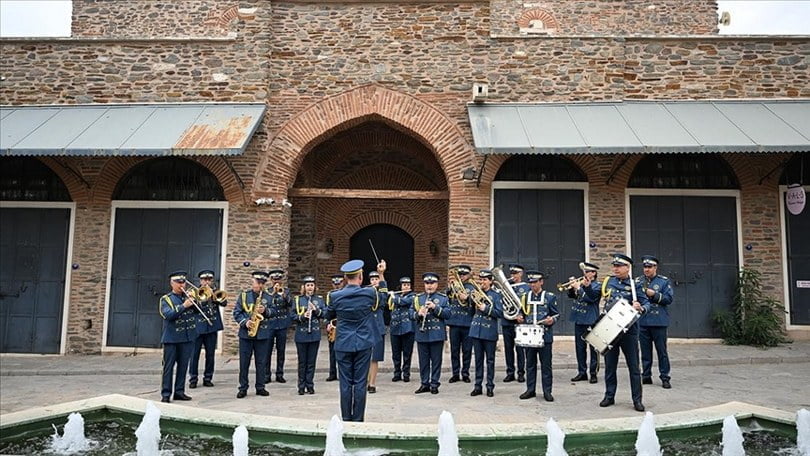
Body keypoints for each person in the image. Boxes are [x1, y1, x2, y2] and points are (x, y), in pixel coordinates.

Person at [583, 254, 650, 412]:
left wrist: (641, 307)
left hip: (629, 331)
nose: (615, 269)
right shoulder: (608, 282)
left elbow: (646, 303)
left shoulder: (635, 285)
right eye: (614, 266)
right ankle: (609, 396)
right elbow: (593, 296)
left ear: (627, 268)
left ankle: (637, 400)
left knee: (633, 367)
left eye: (619, 266)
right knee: (610, 366)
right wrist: (586, 287)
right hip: (610, 330)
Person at [325, 259, 386, 422]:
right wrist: (381, 275)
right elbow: (384, 298)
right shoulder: (369, 293)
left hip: (343, 342)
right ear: (360, 276)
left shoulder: (334, 296)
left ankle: (346, 418)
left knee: (345, 383)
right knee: (360, 383)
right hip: (363, 342)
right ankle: (358, 419)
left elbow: (328, 314)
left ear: (345, 278)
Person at [518, 271, 558, 402]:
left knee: (546, 365)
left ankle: (547, 391)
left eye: (535, 282)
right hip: (529, 335)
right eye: (530, 282)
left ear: (541, 282)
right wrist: (519, 318)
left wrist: (551, 320)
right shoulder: (524, 297)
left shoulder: (550, 297)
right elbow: (522, 313)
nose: (532, 285)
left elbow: (556, 314)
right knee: (530, 364)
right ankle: (530, 389)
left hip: (544, 335)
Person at [158, 270, 197, 403]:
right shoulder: (166, 299)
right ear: (172, 283)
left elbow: (199, 312)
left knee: (183, 366)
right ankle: (166, 393)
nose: (182, 284)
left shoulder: (188, 297)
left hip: (186, 338)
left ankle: (179, 392)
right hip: (172, 339)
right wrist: (183, 306)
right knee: (168, 367)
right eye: (178, 282)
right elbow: (168, 315)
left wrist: (195, 301)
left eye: (183, 282)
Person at [233, 271, 272, 398]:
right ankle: (243, 388)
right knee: (244, 363)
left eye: (262, 283)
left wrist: (265, 310)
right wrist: (245, 322)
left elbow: (275, 312)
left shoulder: (269, 297)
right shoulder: (244, 296)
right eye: (257, 283)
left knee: (261, 362)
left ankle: (260, 387)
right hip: (246, 334)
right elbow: (237, 313)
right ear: (252, 282)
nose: (260, 286)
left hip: (262, 334)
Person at [638, 255, 674, 389]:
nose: (646, 269)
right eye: (645, 267)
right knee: (645, 351)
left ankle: (665, 377)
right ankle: (646, 375)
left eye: (649, 267)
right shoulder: (638, 281)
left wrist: (654, 295)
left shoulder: (663, 282)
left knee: (662, 351)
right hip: (643, 321)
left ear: (655, 267)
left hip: (659, 321)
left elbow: (668, 299)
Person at [189, 269, 228, 389]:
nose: (206, 282)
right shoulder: (194, 292)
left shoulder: (216, 292)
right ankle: (193, 378)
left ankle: (208, 377)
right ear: (200, 280)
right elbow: (191, 309)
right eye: (204, 279)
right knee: (194, 354)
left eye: (209, 280)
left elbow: (224, 303)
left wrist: (213, 296)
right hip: (198, 327)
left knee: (210, 355)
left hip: (211, 327)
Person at [469, 269, 504, 397]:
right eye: (481, 280)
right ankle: (477, 386)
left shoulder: (496, 295)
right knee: (478, 360)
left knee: (490, 361)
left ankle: (490, 386)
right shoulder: (476, 293)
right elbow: (470, 310)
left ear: (491, 281)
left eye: (485, 280)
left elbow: (500, 313)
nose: (482, 282)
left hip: (489, 331)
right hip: (476, 330)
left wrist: (486, 309)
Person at [413, 272, 449, 395]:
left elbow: (448, 314)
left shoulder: (443, 298)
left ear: (437, 284)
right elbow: (410, 314)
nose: (429, 286)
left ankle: (434, 384)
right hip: (422, 333)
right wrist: (418, 314)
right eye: (427, 283)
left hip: (436, 333)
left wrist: (435, 307)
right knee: (423, 361)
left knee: (436, 360)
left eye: (432, 283)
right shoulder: (418, 298)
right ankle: (424, 383)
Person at [568, 262, 601, 384]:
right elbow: (571, 296)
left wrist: (579, 288)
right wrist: (572, 287)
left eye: (588, 271)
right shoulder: (580, 283)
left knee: (593, 348)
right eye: (584, 271)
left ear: (594, 273)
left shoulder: (598, 286)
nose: (585, 273)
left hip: (591, 319)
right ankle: (582, 372)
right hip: (579, 318)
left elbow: (591, 298)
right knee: (579, 347)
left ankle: (593, 373)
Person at [293, 275, 325, 395]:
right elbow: (292, 316)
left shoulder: (319, 300)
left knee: (311, 361)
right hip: (301, 334)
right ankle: (301, 385)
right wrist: (302, 316)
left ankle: (310, 385)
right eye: (308, 285)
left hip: (314, 334)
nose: (310, 288)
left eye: (312, 285)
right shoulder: (298, 300)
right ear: (304, 287)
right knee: (302, 362)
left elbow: (325, 313)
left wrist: (316, 310)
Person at [445, 265, 475, 384]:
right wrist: (448, 289)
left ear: (468, 275)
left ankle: (465, 373)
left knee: (467, 350)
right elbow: (446, 300)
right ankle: (455, 373)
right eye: (460, 275)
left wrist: (467, 298)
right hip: (454, 321)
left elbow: (478, 302)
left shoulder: (472, 287)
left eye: (464, 275)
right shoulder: (454, 286)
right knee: (454, 350)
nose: (461, 277)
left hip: (467, 322)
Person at [503, 264, 529, 383]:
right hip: (507, 322)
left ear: (521, 274)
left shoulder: (526, 287)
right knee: (508, 349)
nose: (513, 276)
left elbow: (528, 304)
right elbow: (501, 302)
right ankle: (510, 372)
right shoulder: (506, 287)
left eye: (515, 274)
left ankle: (521, 372)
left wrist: (523, 316)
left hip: (520, 322)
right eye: (511, 274)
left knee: (520, 349)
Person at [265, 268, 292, 384]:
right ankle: (266, 374)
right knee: (267, 350)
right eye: (274, 279)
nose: (277, 282)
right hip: (270, 324)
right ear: (271, 280)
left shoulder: (286, 291)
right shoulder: (267, 292)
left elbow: (291, 304)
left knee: (281, 350)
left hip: (282, 323)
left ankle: (279, 373)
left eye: (279, 279)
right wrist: (273, 294)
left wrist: (285, 296)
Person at [388, 276, 415, 382]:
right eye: (404, 285)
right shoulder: (396, 296)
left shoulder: (413, 296)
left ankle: (406, 373)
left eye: (408, 285)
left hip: (408, 328)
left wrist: (393, 296)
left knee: (407, 353)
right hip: (395, 328)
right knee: (396, 353)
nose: (406, 287)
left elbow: (403, 302)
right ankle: (397, 373)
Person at [366, 269, 389, 394]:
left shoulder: (381, 294)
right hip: (366, 328)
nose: (374, 281)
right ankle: (364, 380)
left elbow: (384, 294)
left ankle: (372, 383)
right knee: (364, 357)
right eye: (372, 279)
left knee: (375, 358)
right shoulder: (365, 293)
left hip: (378, 328)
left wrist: (381, 275)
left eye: (376, 279)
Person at [325, 274, 344, 382]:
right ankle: (332, 373)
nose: (337, 286)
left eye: (339, 283)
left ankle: (342, 373)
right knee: (332, 350)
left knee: (343, 350)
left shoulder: (345, 294)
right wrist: (328, 323)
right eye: (335, 284)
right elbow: (328, 310)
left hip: (343, 323)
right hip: (333, 323)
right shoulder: (330, 295)